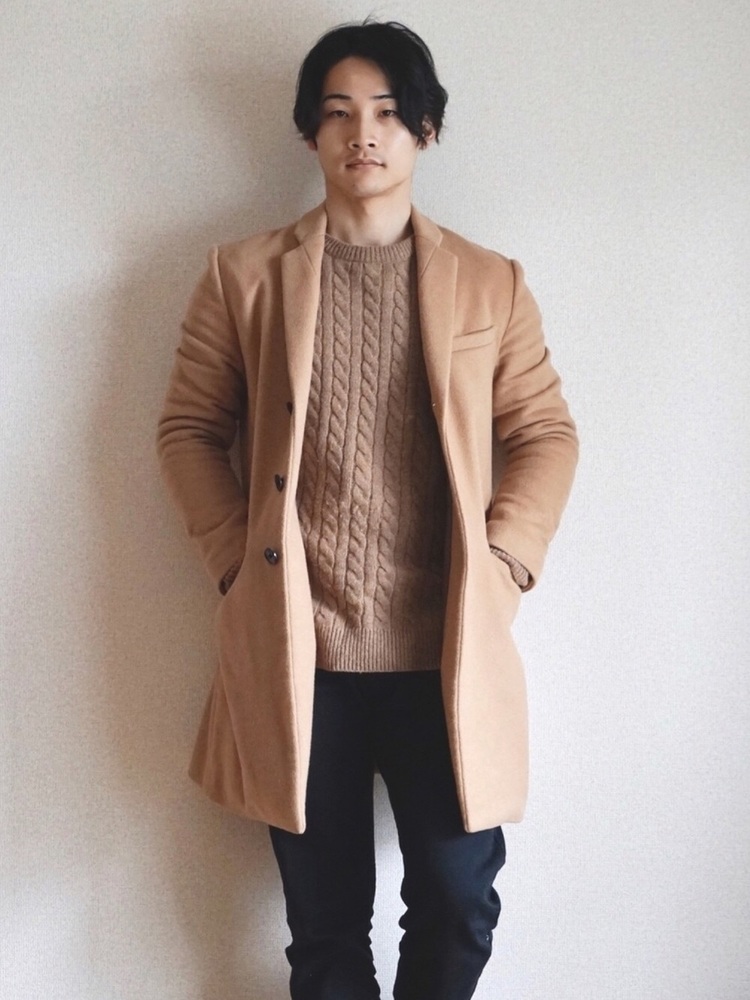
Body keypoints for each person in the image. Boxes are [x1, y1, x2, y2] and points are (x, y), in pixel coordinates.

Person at [157, 19, 578, 1000]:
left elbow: (545, 431)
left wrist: (508, 560)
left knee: (460, 899)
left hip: (446, 651)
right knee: (326, 930)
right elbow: (187, 429)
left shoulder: (490, 282)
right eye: (340, 111)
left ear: (425, 129)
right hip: (302, 655)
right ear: (310, 131)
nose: (364, 133)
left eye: (389, 111)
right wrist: (233, 560)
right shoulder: (244, 276)